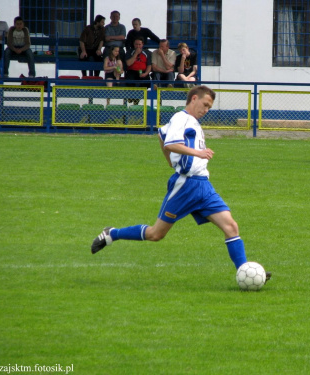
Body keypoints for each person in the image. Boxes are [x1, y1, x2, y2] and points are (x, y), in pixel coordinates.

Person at [91, 85, 272, 282]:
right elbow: (169, 142)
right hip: (185, 186)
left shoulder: (191, 121)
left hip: (203, 185)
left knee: (231, 227)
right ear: (194, 98)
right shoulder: (181, 118)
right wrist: (197, 153)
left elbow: (161, 134)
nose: (206, 110)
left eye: (209, 107)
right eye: (205, 105)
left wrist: (169, 159)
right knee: (156, 234)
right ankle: (112, 234)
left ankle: (245, 272)